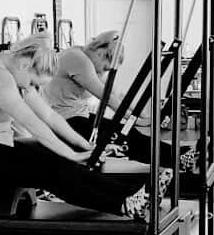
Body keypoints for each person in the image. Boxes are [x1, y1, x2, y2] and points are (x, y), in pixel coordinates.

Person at [0, 33, 170, 221]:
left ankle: (133, 195)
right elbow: (32, 122)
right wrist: (72, 154)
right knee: (49, 169)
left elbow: (49, 116)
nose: (32, 88)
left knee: (59, 161)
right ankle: (122, 204)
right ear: (25, 64)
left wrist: (85, 146)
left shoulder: (16, 70)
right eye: (33, 83)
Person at [44, 31, 196, 171]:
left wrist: (144, 116)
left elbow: (119, 95)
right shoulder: (78, 60)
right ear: (100, 53)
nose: (104, 72)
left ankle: (181, 154)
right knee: (126, 139)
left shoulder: (85, 57)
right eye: (106, 68)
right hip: (67, 123)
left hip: (78, 117)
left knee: (130, 133)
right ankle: (178, 159)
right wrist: (136, 120)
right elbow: (106, 98)